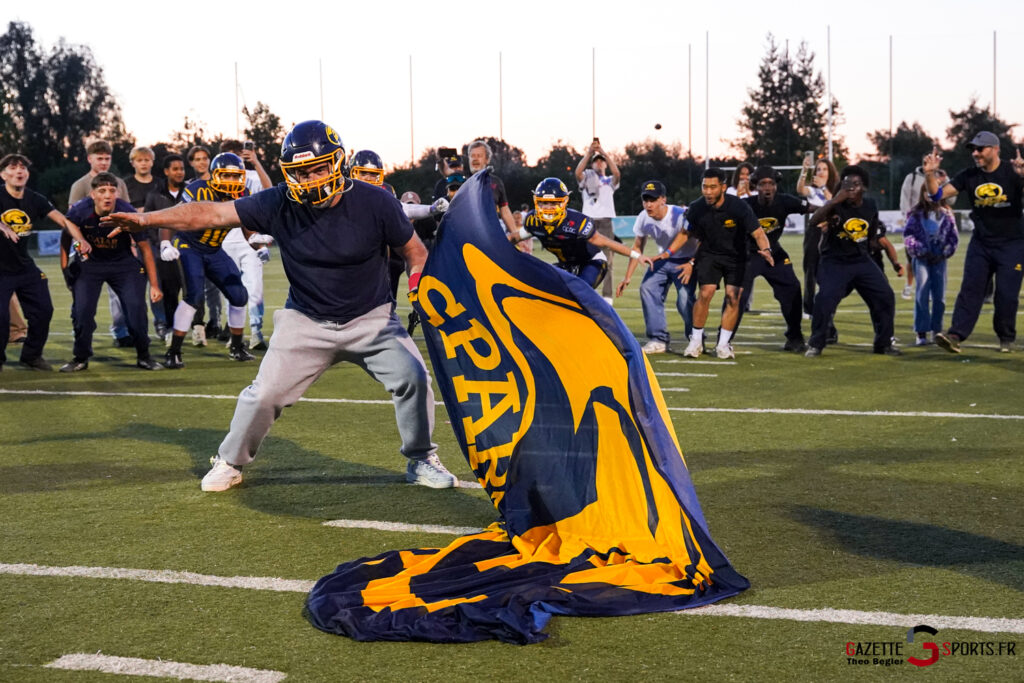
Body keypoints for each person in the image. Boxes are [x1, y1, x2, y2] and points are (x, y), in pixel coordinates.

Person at [103, 120, 458, 492]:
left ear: (338, 162)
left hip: (371, 318)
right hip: (305, 320)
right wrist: (144, 219)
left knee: (414, 379)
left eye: (319, 168)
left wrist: (418, 283)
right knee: (264, 394)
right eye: (301, 172)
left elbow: (414, 252)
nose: (311, 179)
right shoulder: (279, 201)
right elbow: (210, 213)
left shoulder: (375, 201)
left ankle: (420, 458)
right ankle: (231, 461)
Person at [659, 168, 774, 360]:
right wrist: (667, 253)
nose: (708, 192)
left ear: (723, 187)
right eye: (705, 187)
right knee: (705, 293)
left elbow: (758, 233)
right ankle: (695, 341)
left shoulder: (739, 207)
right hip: (709, 254)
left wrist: (766, 250)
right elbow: (686, 233)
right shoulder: (696, 207)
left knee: (733, 297)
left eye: (713, 187)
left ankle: (723, 344)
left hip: (737, 256)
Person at [925, 132, 1024, 354]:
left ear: (995, 149)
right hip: (982, 243)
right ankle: (955, 335)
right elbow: (937, 196)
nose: (975, 153)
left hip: (1012, 244)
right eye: (973, 149)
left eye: (981, 149)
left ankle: (1006, 337)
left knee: (1006, 295)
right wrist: (930, 174)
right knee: (971, 289)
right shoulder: (969, 175)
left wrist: (1023, 177)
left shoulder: (1013, 171)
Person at [158, 152, 254, 368]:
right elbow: (172, 216)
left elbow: (249, 224)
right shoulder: (197, 189)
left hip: (214, 249)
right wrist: (165, 243)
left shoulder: (243, 193)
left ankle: (236, 347)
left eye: (235, 176)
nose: (231, 182)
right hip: (189, 246)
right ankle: (173, 351)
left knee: (239, 295)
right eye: (226, 176)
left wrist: (257, 240)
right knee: (193, 296)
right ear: (214, 175)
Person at [60, 173, 163, 372]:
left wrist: (155, 285)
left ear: (117, 193)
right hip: (91, 266)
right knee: (82, 313)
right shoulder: (81, 210)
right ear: (93, 194)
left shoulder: (126, 211)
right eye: (102, 191)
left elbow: (145, 247)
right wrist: (66, 268)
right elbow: (65, 235)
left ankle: (144, 356)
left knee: (136, 311)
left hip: (123, 265)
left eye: (112, 191)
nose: (107, 195)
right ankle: (80, 357)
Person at [1, 153, 90, 371]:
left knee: (43, 310)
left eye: (23, 167)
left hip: (23, 266)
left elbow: (62, 220)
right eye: (13, 168)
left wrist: (81, 239)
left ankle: (31, 355)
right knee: (1, 319)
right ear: (2, 174)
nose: (19, 171)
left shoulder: (35, 199)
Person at [804, 165, 900, 357]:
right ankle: (816, 343)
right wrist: (834, 201)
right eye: (847, 183)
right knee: (824, 299)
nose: (851, 188)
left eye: (855, 184)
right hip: (835, 261)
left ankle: (883, 343)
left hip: (861, 260)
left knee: (885, 296)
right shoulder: (835, 205)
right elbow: (813, 221)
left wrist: (880, 250)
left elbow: (871, 234)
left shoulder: (870, 205)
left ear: (863, 187)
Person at [510, 177, 653, 288]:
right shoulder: (532, 221)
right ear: (537, 202)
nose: (548, 208)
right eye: (544, 203)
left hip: (591, 262)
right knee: (540, 285)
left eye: (553, 203)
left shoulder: (576, 222)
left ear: (563, 202)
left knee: (580, 292)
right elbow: (514, 237)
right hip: (566, 265)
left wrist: (636, 255)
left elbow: (605, 242)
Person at [616, 180, 696, 353]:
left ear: (663, 199)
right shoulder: (643, 217)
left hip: (686, 260)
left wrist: (692, 262)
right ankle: (658, 339)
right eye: (645, 200)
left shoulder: (680, 214)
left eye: (652, 200)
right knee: (647, 288)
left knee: (684, 300)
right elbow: (637, 248)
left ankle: (696, 338)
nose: (648, 204)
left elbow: (697, 238)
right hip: (663, 259)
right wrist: (627, 277)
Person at [737, 166, 811, 352]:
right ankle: (725, 337)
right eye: (762, 184)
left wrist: (832, 211)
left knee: (792, 288)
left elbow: (811, 208)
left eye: (771, 183)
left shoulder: (785, 201)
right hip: (749, 254)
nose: (767, 188)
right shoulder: (746, 204)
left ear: (776, 185)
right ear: (755, 186)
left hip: (774, 253)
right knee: (736, 294)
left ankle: (795, 337)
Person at [69, 140, 133, 347]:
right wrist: (80, 248)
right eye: (100, 158)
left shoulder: (119, 184)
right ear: (90, 159)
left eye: (107, 158)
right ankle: (79, 329)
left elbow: (127, 215)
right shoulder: (79, 185)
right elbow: (72, 221)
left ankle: (121, 332)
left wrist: (131, 244)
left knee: (119, 293)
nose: (104, 162)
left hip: (114, 247)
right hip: (87, 247)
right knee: (81, 295)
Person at [219, 140, 274, 350]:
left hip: (249, 237)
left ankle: (256, 332)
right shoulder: (216, 179)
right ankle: (235, 335)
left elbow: (269, 190)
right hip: (224, 239)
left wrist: (256, 163)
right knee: (231, 290)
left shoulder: (249, 176)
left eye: (237, 153)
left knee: (255, 289)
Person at [903, 180, 959, 345]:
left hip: (939, 258)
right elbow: (908, 236)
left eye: (932, 191)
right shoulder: (915, 213)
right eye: (926, 191)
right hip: (921, 258)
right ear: (922, 194)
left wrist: (944, 252)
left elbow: (953, 238)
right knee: (922, 294)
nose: (929, 195)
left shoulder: (947, 214)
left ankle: (937, 330)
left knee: (939, 296)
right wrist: (920, 250)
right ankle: (921, 333)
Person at [145, 154, 188, 342]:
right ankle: (166, 325)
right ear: (166, 171)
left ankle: (192, 325)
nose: (179, 172)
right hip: (161, 250)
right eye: (175, 169)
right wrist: (159, 245)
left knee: (187, 289)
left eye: (182, 169)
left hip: (186, 248)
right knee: (167, 290)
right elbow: (148, 222)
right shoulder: (155, 195)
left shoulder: (189, 192)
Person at [575, 139, 621, 304]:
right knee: (585, 259)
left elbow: (617, 174)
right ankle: (585, 293)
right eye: (596, 162)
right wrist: (589, 152)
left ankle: (607, 298)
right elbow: (578, 171)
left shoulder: (609, 180)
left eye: (601, 161)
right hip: (589, 222)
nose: (599, 163)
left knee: (608, 260)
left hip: (606, 222)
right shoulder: (587, 178)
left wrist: (604, 153)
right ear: (592, 165)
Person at [797, 156, 839, 322]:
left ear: (830, 172)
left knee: (830, 271)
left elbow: (834, 204)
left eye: (824, 169)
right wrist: (804, 170)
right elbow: (800, 190)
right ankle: (808, 308)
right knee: (810, 270)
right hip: (814, 232)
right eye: (819, 169)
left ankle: (827, 306)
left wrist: (824, 189)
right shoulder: (813, 190)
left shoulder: (835, 190)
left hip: (831, 233)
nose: (821, 172)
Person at [467, 140, 518, 239]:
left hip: (491, 235)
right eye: (472, 156)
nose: (475, 159)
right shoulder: (460, 182)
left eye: (479, 156)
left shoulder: (496, 182)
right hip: (468, 237)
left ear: (487, 160)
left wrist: (516, 234)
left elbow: (504, 210)